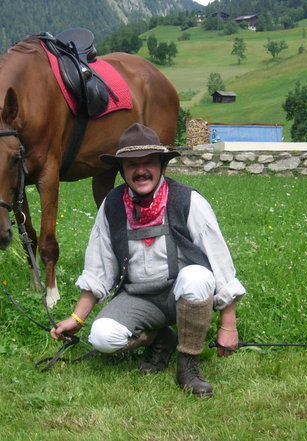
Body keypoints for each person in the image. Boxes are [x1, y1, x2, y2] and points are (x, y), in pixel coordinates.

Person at [51, 123, 246, 398]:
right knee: (102, 337)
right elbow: (99, 267)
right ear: (122, 170)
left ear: (161, 166)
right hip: (138, 299)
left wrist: (229, 324)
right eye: (132, 164)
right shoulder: (112, 205)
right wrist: (76, 318)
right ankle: (162, 337)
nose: (141, 170)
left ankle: (188, 364)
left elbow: (219, 261)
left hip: (181, 294)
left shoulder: (187, 200)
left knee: (198, 276)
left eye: (149, 163)